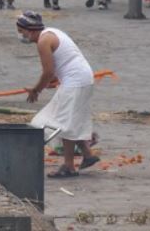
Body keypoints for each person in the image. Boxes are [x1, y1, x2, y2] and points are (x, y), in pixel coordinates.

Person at [17, 11, 99, 177]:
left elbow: (48, 72)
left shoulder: (43, 41)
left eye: (21, 32)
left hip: (76, 81)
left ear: (30, 30)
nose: (21, 36)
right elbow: (57, 68)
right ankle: (88, 154)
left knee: (64, 123)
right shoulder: (52, 32)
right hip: (82, 78)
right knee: (73, 119)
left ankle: (68, 166)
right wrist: (53, 80)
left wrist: (36, 90)